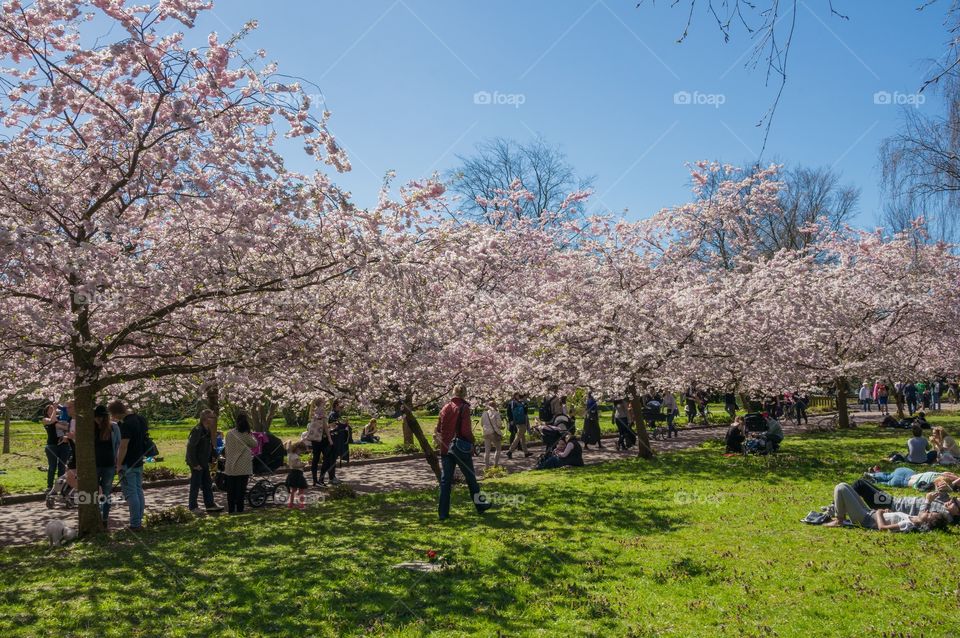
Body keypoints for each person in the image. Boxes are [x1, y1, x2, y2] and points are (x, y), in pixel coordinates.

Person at [435, 385, 491, 521]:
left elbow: (438, 428)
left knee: (445, 481)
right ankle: (480, 505)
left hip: (445, 447)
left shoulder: (445, 407)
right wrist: (473, 441)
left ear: (453, 393)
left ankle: (443, 513)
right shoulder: (464, 408)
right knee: (470, 477)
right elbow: (465, 431)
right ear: (465, 394)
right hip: (460, 448)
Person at [110, 400, 149, 530]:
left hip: (128, 462)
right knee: (138, 491)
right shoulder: (140, 419)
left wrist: (119, 464)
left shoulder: (126, 425)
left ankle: (135, 524)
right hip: (139, 460)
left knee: (131, 493)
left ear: (116, 413)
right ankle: (139, 519)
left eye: (113, 415)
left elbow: (123, 446)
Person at [849, 478, 957, 523]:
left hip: (890, 506)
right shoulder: (946, 501)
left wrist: (928, 501)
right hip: (893, 500)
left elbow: (921, 518)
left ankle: (834, 510)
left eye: (955, 503)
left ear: (958, 512)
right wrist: (946, 485)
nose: (951, 501)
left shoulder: (946, 515)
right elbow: (939, 482)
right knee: (863, 482)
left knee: (860, 484)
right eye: (954, 499)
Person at [185, 409, 223, 513]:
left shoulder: (207, 430)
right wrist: (195, 464)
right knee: (195, 485)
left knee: (207, 483)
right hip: (197, 463)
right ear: (205, 419)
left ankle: (210, 505)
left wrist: (216, 456)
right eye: (212, 417)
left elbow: (209, 446)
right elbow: (191, 448)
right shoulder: (198, 430)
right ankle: (193, 507)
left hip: (204, 462)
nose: (214, 419)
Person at [222, 412, 257, 513]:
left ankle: (231, 509)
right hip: (243, 465)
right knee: (241, 489)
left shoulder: (229, 433)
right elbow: (254, 444)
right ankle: (240, 509)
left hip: (230, 465)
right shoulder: (245, 434)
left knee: (231, 489)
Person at [93, 405, 120, 526]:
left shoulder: (113, 427)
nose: (98, 420)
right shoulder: (91, 427)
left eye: (100, 417)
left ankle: (104, 517)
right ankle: (97, 515)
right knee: (94, 492)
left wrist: (117, 462)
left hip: (108, 464)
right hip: (94, 465)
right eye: (96, 417)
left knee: (107, 492)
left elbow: (118, 444)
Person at [305, 399, 331, 486]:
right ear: (321, 403)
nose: (325, 402)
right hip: (322, 438)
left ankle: (315, 480)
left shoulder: (313, 411)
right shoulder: (322, 410)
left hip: (314, 438)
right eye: (324, 401)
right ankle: (321, 479)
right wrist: (330, 438)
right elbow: (325, 426)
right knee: (327, 459)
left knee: (315, 459)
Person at [285, 440, 309, 509]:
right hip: (298, 474)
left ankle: (290, 504)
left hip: (292, 473)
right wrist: (304, 464)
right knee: (301, 490)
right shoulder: (295, 456)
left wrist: (289, 443)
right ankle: (301, 504)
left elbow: (288, 447)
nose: (301, 453)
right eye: (301, 451)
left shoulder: (290, 454)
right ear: (298, 449)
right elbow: (296, 465)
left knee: (293, 490)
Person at [506, 395, 532, 459]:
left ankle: (526, 452)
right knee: (518, 437)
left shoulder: (516, 403)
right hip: (522, 422)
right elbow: (525, 413)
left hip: (518, 422)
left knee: (522, 438)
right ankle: (510, 451)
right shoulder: (522, 403)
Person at [480, 399, 504, 467]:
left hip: (486, 433)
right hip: (494, 433)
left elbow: (481, 423)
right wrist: (501, 427)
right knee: (498, 449)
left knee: (487, 450)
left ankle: (487, 466)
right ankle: (495, 465)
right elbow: (499, 424)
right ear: (495, 405)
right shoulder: (496, 413)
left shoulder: (484, 413)